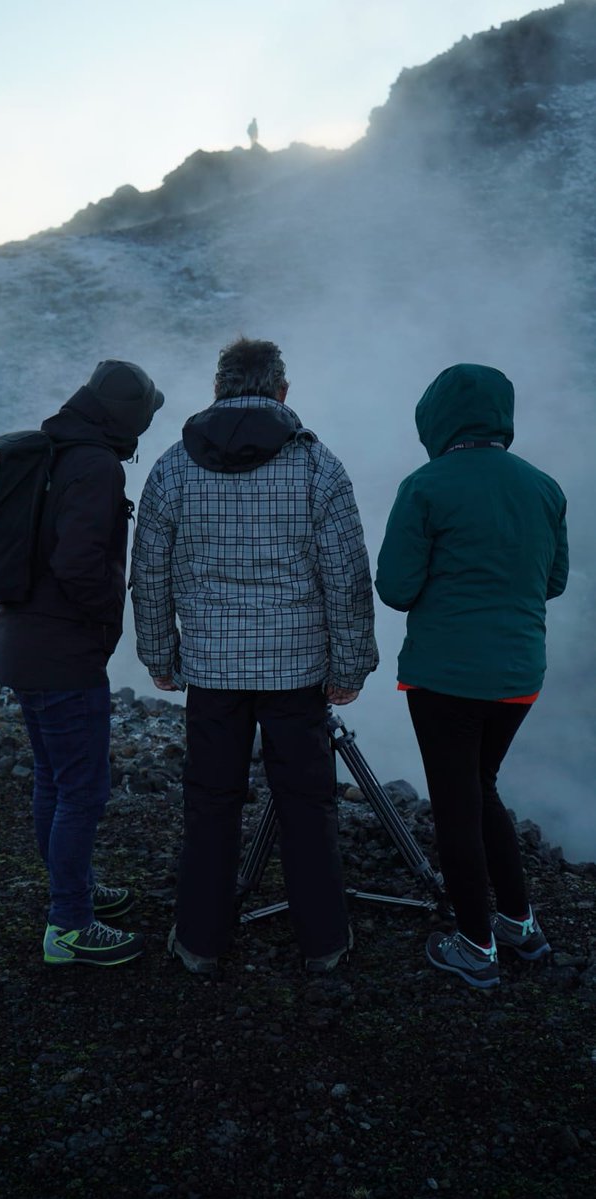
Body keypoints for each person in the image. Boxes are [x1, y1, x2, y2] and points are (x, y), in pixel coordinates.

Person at [131, 337, 378, 974]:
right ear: (282, 391)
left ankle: (200, 941)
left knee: (210, 802)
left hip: (212, 671)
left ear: (217, 389)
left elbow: (149, 572)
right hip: (297, 671)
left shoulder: (173, 467)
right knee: (308, 803)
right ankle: (324, 943)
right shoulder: (317, 466)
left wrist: (159, 655)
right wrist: (350, 665)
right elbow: (347, 576)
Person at [375, 363, 568, 989]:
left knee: (456, 804)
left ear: (436, 417)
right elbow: (554, 581)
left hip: (446, 677)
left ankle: (475, 946)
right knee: (481, 787)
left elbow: (396, 589)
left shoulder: (426, 485)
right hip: (520, 676)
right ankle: (519, 924)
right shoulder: (544, 487)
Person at [0, 360, 164, 967]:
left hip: (21, 640)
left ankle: (75, 890)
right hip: (62, 651)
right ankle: (69, 925)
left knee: (54, 779)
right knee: (84, 790)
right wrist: (103, 620)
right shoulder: (95, 465)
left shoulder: (56, 451)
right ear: (126, 416)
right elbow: (78, 563)